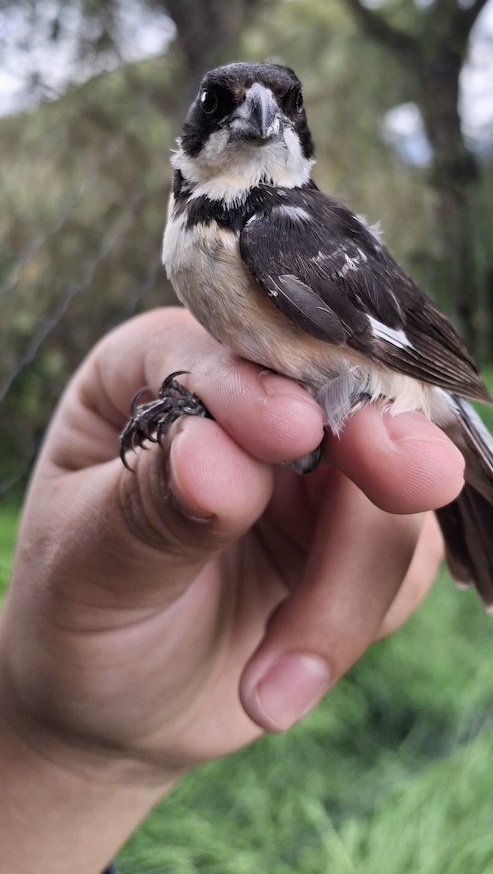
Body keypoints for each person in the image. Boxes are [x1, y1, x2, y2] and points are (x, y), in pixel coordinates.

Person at [0, 307, 465, 874]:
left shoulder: (268, 234)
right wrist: (62, 750)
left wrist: (61, 749)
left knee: (290, 424)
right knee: (281, 424)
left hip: (369, 387)